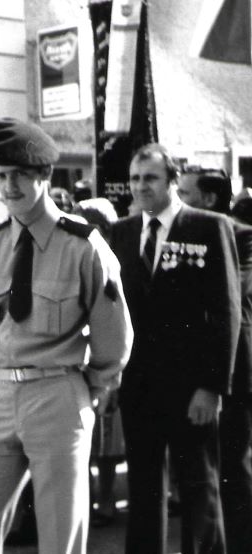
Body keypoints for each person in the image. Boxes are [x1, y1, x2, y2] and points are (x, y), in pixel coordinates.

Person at [0, 117, 133, 554]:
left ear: (44, 175)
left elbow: (113, 339)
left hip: (58, 397)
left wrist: (84, 388)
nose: (9, 186)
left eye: (19, 175)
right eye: (1, 176)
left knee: (60, 539)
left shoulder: (84, 246)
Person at [111, 144, 240, 554]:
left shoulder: (208, 226)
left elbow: (226, 311)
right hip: (140, 386)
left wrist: (212, 386)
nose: (140, 186)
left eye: (149, 178)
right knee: (145, 490)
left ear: (171, 181)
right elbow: (114, 310)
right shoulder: (124, 232)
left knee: (199, 489)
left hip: (192, 388)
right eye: (134, 178)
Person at [178, 166, 252, 554]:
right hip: (191, 370)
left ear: (208, 199)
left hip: (235, 372)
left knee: (233, 470)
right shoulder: (178, 234)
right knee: (197, 474)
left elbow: (234, 305)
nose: (178, 200)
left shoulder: (242, 236)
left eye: (186, 194)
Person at [77, 198, 124, 527]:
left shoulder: (112, 260)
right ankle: (90, 496)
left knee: (108, 438)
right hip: (80, 360)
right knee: (87, 438)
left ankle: (106, 498)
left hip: (108, 361)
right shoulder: (77, 256)